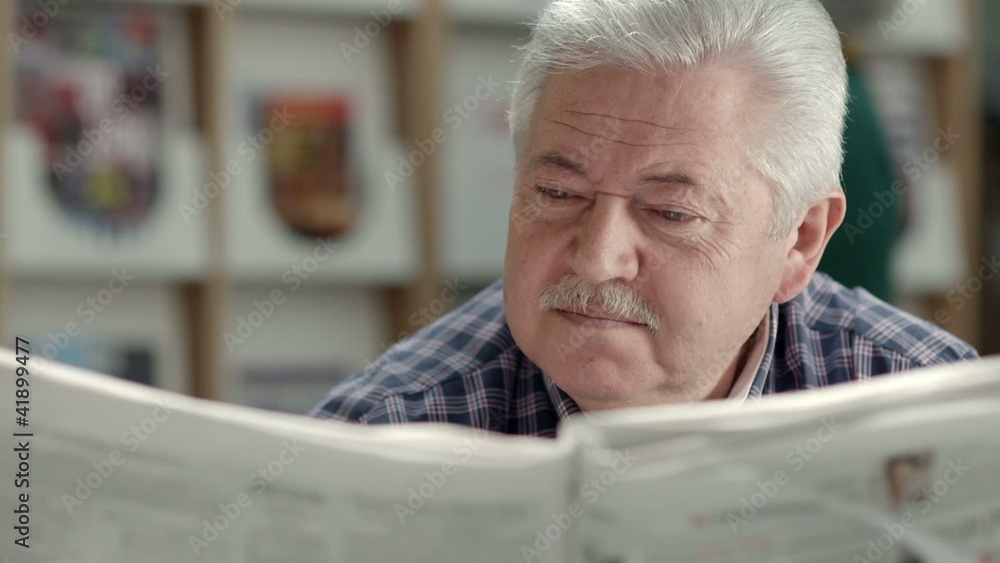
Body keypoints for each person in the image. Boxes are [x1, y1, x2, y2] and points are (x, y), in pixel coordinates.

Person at [310, 0, 978, 437]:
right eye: (558, 193)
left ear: (800, 241)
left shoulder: (937, 424)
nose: (597, 258)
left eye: (670, 213)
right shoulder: (385, 434)